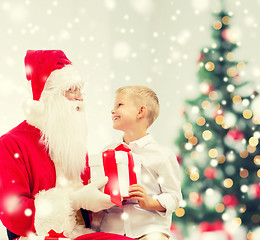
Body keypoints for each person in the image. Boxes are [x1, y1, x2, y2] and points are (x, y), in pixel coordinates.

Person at [0, 50, 134, 240]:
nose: (80, 98)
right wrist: (73, 202)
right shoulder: (11, 144)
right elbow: (14, 214)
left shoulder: (71, 142)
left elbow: (90, 198)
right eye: (72, 90)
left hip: (83, 233)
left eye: (81, 90)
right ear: (51, 95)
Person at [95, 85, 182, 240]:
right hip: (112, 229)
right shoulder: (107, 152)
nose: (112, 110)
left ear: (140, 111)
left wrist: (149, 202)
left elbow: (174, 197)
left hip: (149, 229)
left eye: (119, 105)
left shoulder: (162, 155)